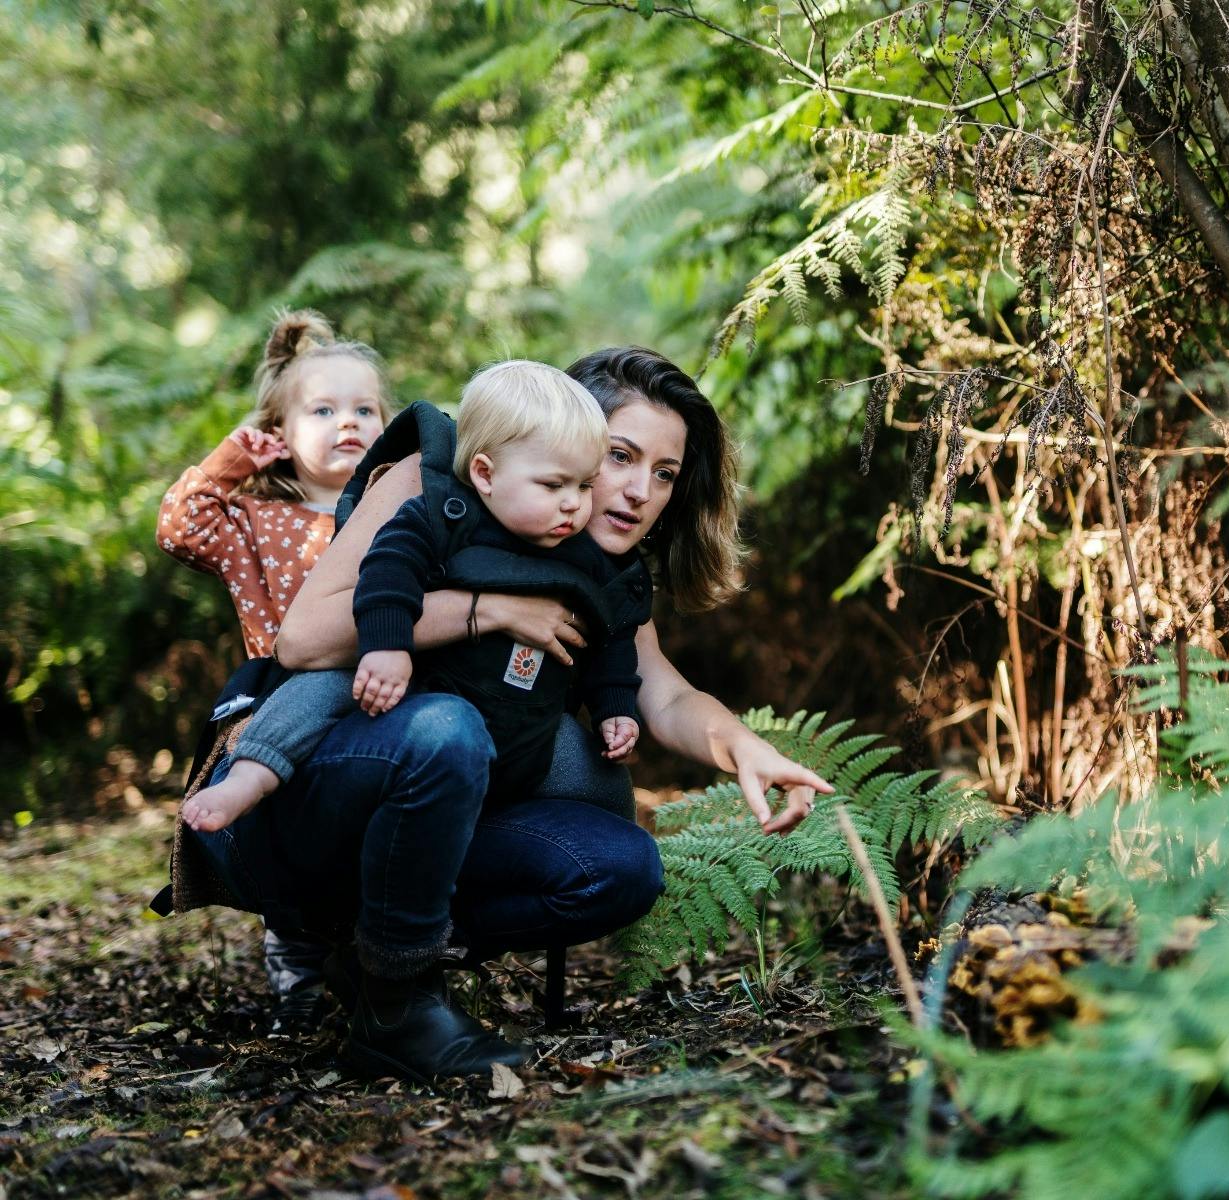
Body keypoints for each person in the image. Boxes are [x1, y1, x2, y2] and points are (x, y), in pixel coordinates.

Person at [173, 346, 830, 1083]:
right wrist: (488, 611)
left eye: (666, 473)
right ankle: (397, 1003)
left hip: (428, 799)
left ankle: (370, 951)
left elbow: (664, 693)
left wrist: (746, 748)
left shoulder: (601, 569)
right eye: (620, 455)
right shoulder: (433, 481)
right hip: (296, 787)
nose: (640, 490)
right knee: (446, 726)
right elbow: (303, 639)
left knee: (618, 862)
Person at [180, 361, 645, 833]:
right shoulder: (439, 512)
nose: (573, 503)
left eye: (585, 486)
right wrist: (388, 646)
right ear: (485, 473)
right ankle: (248, 776)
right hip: (387, 677)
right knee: (316, 692)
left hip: (508, 716)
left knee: (600, 784)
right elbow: (385, 577)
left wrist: (615, 709)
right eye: (554, 485)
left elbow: (612, 638)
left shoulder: (574, 546)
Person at [157, 309, 391, 1037]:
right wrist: (233, 462)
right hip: (282, 688)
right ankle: (292, 949)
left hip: (385, 678)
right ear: (280, 435)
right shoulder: (256, 520)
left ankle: (382, 939)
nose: (347, 422)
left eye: (364, 409)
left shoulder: (399, 511)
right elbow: (181, 528)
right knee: (288, 810)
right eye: (322, 410)